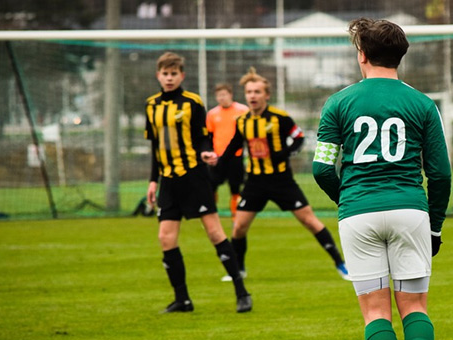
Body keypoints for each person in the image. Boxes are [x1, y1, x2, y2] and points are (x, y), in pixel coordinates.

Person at [312, 18, 452, 340]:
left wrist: (351, 202)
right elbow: (441, 174)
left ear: (362, 55)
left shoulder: (337, 103)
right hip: (411, 212)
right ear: (400, 56)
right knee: (415, 305)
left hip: (357, 214)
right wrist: (435, 227)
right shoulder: (424, 105)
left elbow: (321, 168)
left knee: (375, 310)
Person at [202, 67, 349, 281]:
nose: (253, 96)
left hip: (282, 181)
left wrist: (284, 153)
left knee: (310, 221)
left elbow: (299, 139)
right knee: (239, 227)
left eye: (257, 92)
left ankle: (341, 264)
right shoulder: (243, 121)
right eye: (249, 92)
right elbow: (233, 146)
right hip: (254, 183)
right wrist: (216, 160)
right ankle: (239, 270)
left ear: (266, 95)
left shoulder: (280, 118)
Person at [145, 52, 253, 314]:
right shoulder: (151, 105)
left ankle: (241, 292)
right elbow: (155, 146)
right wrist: (152, 181)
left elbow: (204, 137)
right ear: (158, 75)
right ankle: (182, 299)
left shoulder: (193, 103)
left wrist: (206, 152)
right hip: (168, 181)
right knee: (165, 238)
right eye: (165, 74)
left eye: (174, 74)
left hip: (193, 177)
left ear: (181, 76)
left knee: (215, 233)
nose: (169, 78)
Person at [206, 83, 249, 222]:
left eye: (224, 94)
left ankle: (236, 216)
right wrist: (210, 152)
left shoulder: (242, 110)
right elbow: (209, 136)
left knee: (235, 188)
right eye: (219, 95)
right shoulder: (212, 114)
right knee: (211, 186)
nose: (221, 98)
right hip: (217, 157)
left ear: (230, 94)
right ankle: (211, 214)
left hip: (235, 157)